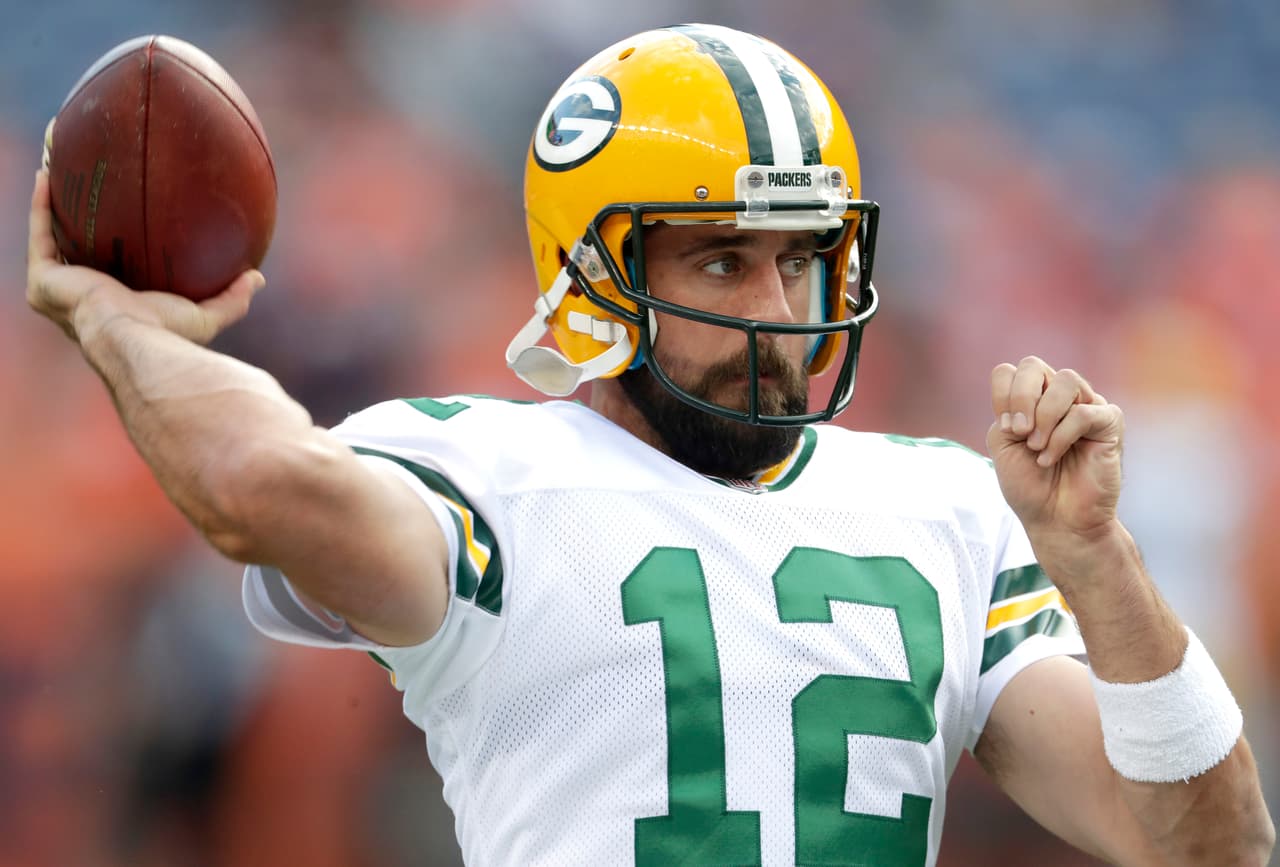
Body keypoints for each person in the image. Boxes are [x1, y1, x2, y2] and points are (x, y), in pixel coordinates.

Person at [26, 23, 1272, 867]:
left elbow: (1210, 848)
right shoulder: (487, 480)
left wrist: (1100, 566)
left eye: (802, 259)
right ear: (592, 280)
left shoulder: (944, 507)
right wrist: (120, 328)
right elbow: (250, 485)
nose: (779, 313)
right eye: (724, 259)